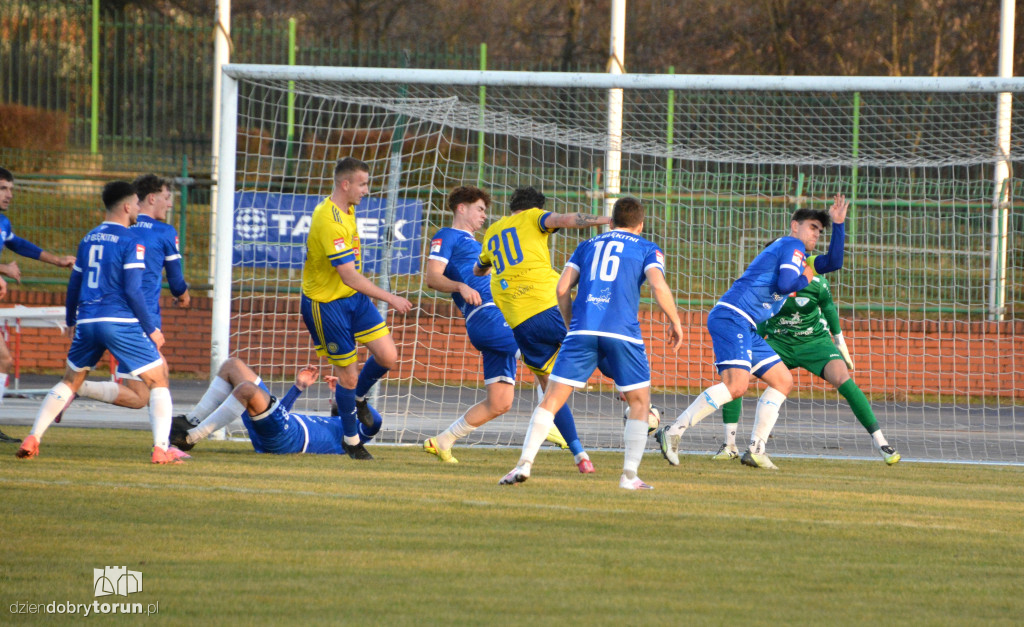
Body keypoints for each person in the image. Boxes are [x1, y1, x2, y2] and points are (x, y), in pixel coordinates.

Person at [498, 197, 684, 489]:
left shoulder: (586, 246)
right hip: (622, 333)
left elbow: (562, 287)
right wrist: (675, 320)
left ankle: (524, 464)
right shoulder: (647, 247)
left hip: (581, 332)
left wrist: (571, 321)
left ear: (610, 222)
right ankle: (629, 476)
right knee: (639, 401)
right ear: (640, 224)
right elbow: (658, 284)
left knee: (551, 399)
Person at [655, 194, 850, 470]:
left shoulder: (801, 257)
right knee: (737, 386)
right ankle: (673, 432)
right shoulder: (792, 245)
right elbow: (785, 284)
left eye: (820, 230)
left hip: (745, 324)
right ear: (795, 226)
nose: (816, 233)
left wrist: (839, 225)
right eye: (812, 227)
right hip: (733, 316)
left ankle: (756, 449)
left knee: (782, 380)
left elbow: (834, 262)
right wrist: (807, 276)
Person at [15, 181, 182, 463]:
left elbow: (74, 284)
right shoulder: (132, 241)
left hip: (87, 320)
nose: (139, 210)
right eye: (136, 205)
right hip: (119, 321)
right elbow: (132, 290)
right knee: (158, 381)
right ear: (128, 206)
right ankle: (160, 448)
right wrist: (151, 328)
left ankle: (33, 436)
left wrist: (71, 319)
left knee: (70, 381)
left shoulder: (88, 238)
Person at [422, 185, 568, 463]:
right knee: (548, 355)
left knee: (500, 401)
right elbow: (432, 277)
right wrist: (461, 286)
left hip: (500, 315)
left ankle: (442, 441)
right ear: (461, 208)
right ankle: (548, 418)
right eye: (480, 209)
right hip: (487, 316)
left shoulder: (485, 244)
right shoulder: (447, 236)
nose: (484, 217)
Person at [474, 186, 611, 474]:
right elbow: (564, 219)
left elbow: (479, 268)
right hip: (549, 305)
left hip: (520, 323)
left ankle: (580, 456)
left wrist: (486, 269)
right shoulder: (534, 218)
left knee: (550, 392)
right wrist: (605, 220)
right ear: (536, 207)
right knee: (600, 346)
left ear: (512, 206)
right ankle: (631, 397)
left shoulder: (492, 232)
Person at [713, 273, 900, 464]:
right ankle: (729, 445)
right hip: (779, 344)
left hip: (816, 344)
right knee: (737, 377)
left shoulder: (817, 283)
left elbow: (829, 310)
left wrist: (840, 344)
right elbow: (758, 322)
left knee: (843, 378)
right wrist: (749, 351)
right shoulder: (766, 285)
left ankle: (881, 443)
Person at [299, 157, 412, 461]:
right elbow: (348, 274)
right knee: (346, 376)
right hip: (328, 306)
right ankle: (351, 441)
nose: (366, 190)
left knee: (388, 356)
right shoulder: (329, 220)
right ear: (345, 184)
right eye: (362, 184)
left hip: (354, 300)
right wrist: (390, 298)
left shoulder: (347, 209)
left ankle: (356, 398)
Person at [63, 173, 191, 414]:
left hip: (101, 312)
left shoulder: (116, 231)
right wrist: (184, 295)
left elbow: (78, 280)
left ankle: (76, 388)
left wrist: (71, 317)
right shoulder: (163, 232)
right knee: (160, 377)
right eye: (167, 197)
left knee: (140, 396)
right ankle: (165, 445)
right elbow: (175, 281)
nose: (170, 203)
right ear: (152, 198)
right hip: (140, 317)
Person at [0, 166, 76, 443]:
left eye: (10, 189)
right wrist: (3, 269)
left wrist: (57, 260)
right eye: (2, 188)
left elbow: (20, 245)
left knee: (3, 360)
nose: (9, 194)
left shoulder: (3, 223)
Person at [169, 358, 381, 455]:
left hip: (287, 441)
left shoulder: (354, 437)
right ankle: (190, 421)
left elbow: (375, 421)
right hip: (279, 429)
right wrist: (298, 387)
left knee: (246, 389)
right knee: (232, 366)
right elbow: (279, 413)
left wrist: (351, 394)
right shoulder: (333, 420)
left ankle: (190, 438)